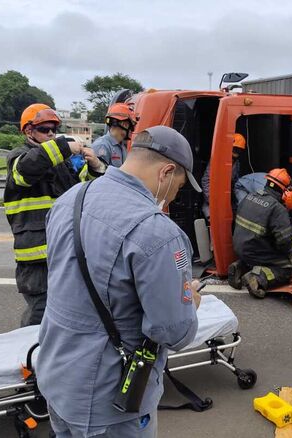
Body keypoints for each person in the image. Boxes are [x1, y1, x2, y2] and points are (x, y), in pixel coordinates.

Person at [37, 125, 202, 438]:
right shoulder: (157, 233)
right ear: (167, 171)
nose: (172, 199)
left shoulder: (71, 198)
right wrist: (189, 302)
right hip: (106, 401)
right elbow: (174, 332)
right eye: (178, 188)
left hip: (56, 377)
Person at [4, 103, 104, 326]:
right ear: (28, 131)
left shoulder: (62, 162)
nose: (50, 134)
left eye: (53, 130)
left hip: (65, 250)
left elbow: (94, 193)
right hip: (37, 258)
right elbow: (27, 171)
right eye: (44, 129)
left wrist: (97, 166)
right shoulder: (19, 157)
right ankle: (28, 357)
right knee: (40, 314)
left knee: (66, 313)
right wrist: (64, 146)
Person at [228, 168, 292, 298]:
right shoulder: (277, 209)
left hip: (239, 248)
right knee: (287, 268)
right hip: (255, 251)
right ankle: (257, 277)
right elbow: (284, 242)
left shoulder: (249, 196)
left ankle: (240, 267)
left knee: (260, 250)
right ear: (285, 190)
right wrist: (289, 254)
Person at [202, 133, 246, 218]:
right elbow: (206, 180)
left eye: (239, 149)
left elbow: (236, 182)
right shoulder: (217, 159)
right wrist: (212, 200)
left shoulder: (237, 164)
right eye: (235, 148)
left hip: (227, 199)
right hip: (213, 199)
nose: (237, 151)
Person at [91, 102, 136, 168]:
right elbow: (98, 174)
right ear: (124, 124)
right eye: (131, 125)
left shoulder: (122, 146)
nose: (132, 130)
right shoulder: (102, 146)